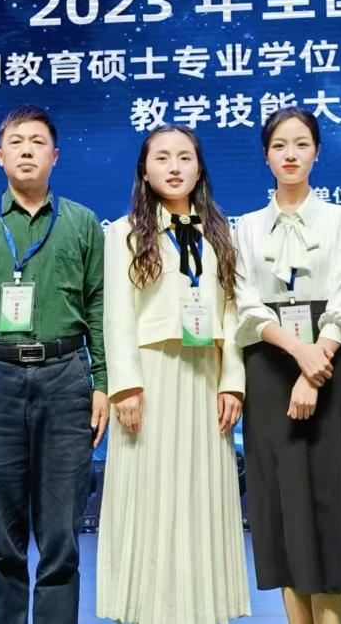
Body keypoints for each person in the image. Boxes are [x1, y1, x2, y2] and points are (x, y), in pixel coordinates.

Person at [0, 105, 109, 624]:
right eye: (17, 142)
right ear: (0, 156)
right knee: (1, 540)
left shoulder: (82, 222)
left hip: (65, 378)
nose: (27, 150)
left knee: (61, 538)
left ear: (55, 156)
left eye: (38, 142)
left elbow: (99, 308)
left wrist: (102, 382)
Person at [234, 107, 341, 624]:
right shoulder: (247, 227)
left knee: (328, 500)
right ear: (266, 156)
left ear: (317, 152)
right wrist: (298, 355)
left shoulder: (340, 218)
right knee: (282, 503)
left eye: (301, 144)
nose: (290, 154)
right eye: (279, 145)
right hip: (269, 365)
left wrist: (314, 365)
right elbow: (246, 303)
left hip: (327, 362)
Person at [96, 125, 251, 624]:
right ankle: (146, 610)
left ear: (199, 168)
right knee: (149, 495)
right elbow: (117, 315)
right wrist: (125, 385)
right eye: (162, 157)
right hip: (150, 377)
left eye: (185, 157)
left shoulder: (221, 232)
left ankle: (200, 608)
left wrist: (232, 382)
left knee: (202, 496)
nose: (175, 166)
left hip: (205, 375)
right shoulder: (123, 233)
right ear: (144, 170)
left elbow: (233, 311)